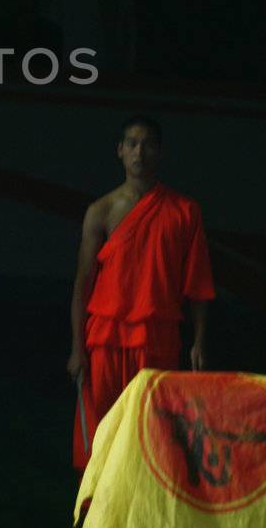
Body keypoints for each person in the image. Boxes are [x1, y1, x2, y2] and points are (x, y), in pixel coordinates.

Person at [67, 117, 214, 468]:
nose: (139, 152)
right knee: (100, 435)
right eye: (132, 143)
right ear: (119, 151)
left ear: (159, 152)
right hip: (104, 335)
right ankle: (93, 516)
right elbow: (82, 282)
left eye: (147, 144)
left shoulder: (184, 211)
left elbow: (198, 284)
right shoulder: (100, 211)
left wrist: (199, 341)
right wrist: (76, 348)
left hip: (157, 336)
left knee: (152, 433)